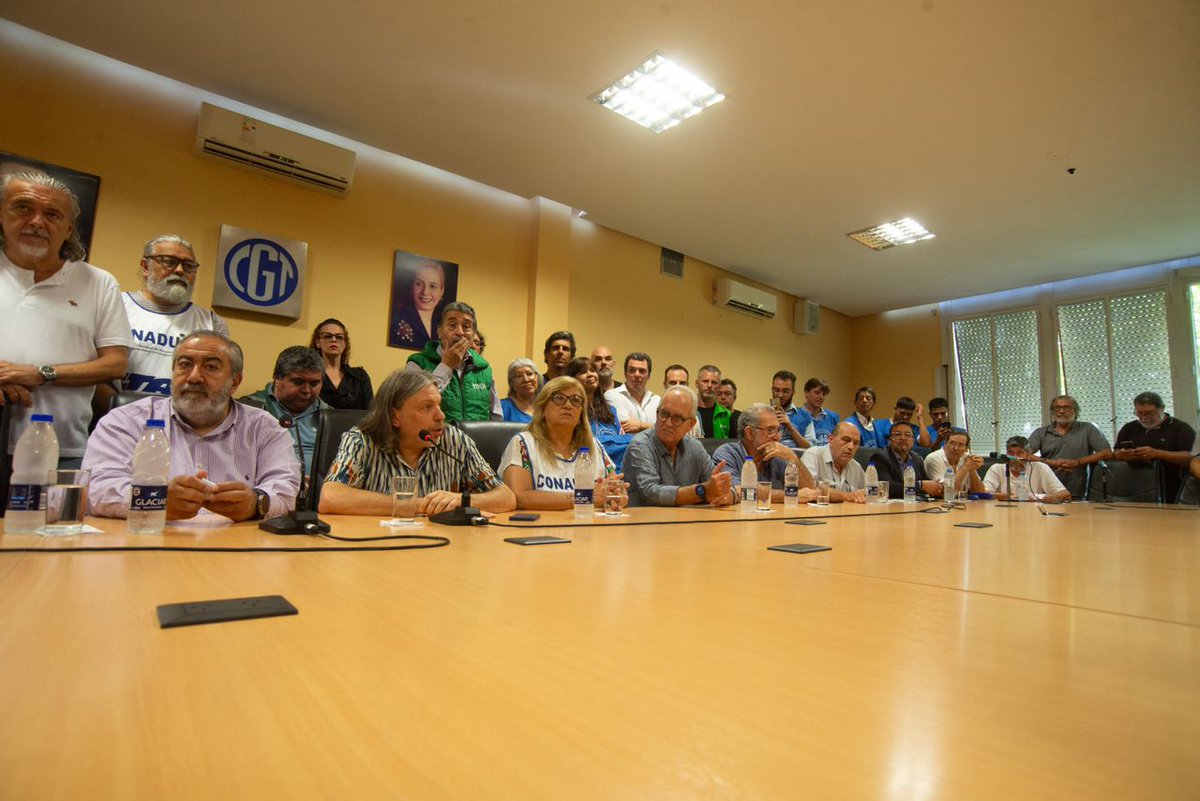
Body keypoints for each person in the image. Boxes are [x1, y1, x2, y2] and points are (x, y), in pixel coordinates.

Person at [83, 330, 301, 521]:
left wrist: (256, 503)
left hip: (234, 549)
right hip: (149, 546)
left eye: (211, 367)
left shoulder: (265, 428)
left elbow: (285, 489)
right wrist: (156, 500)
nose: (195, 377)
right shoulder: (125, 420)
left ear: (234, 382)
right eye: (185, 365)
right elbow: (97, 488)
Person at [0, 171, 132, 467]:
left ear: (68, 228)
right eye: (23, 207)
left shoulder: (97, 282)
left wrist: (40, 373)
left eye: (52, 214)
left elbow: (115, 363)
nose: (36, 221)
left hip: (61, 451)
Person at [319, 370, 515, 515]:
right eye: (427, 407)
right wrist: (420, 505)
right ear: (394, 416)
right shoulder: (362, 440)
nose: (441, 416)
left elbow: (506, 498)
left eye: (439, 405)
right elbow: (330, 498)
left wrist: (459, 501)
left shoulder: (454, 440)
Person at [119, 234, 229, 397]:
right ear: (145, 267)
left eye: (188, 265)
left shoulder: (212, 323)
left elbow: (217, 382)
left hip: (182, 419)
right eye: (169, 262)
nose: (179, 270)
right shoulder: (117, 305)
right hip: (116, 416)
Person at [500, 376, 620, 510]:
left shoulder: (593, 445)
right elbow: (518, 497)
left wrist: (617, 496)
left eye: (575, 400)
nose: (568, 405)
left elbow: (613, 489)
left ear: (581, 414)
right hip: (540, 528)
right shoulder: (523, 443)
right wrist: (583, 498)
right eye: (559, 398)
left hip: (588, 526)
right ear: (543, 409)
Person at [623, 386, 734, 507]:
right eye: (664, 414)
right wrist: (703, 491)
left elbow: (722, 486)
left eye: (677, 418)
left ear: (691, 424)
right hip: (645, 523)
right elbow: (651, 493)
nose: (668, 423)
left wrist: (729, 495)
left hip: (686, 522)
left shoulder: (695, 447)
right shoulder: (640, 445)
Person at [241, 346, 329, 485]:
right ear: (277, 378)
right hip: (264, 491)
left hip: (318, 496)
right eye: (298, 382)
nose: (306, 390)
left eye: (314, 383)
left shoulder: (331, 417)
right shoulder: (249, 409)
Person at [404, 301, 500, 421]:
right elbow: (413, 405)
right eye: (452, 325)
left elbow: (496, 417)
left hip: (477, 439)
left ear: (473, 334)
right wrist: (446, 366)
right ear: (439, 331)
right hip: (436, 438)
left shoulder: (484, 369)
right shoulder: (417, 363)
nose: (459, 332)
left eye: (466, 327)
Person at [713, 403, 816, 503]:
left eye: (779, 430)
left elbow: (810, 491)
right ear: (750, 433)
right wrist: (791, 495)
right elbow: (739, 491)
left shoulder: (778, 457)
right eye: (770, 430)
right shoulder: (726, 454)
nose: (777, 437)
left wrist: (793, 458)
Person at [1112, 391, 1196, 503]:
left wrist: (1157, 453)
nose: (1144, 417)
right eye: (1139, 413)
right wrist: (1121, 455)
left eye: (1149, 413)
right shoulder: (1128, 428)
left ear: (1162, 408)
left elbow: (1191, 458)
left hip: (1171, 489)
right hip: (1133, 488)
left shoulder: (1180, 428)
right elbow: (1116, 452)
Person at [1026, 395, 1111, 499]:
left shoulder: (1088, 429)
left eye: (1066, 408)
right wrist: (1049, 462)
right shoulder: (1041, 433)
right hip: (1049, 493)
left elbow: (1106, 452)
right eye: (1057, 408)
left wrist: (1079, 462)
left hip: (1078, 491)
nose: (1061, 411)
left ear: (1075, 411)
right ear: (1053, 411)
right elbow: (1024, 455)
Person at [566, 356, 631, 471]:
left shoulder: (611, 410)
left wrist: (600, 442)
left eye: (592, 370)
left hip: (620, 472)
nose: (590, 374)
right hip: (588, 472)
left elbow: (627, 443)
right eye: (583, 372)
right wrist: (613, 442)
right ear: (572, 380)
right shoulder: (572, 412)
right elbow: (583, 447)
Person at [310, 317, 374, 410]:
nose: (333, 339)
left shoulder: (359, 377)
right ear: (318, 342)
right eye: (328, 336)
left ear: (344, 344)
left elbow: (370, 413)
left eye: (339, 337)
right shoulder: (310, 375)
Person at [983, 435, 1071, 502]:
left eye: (1020, 453)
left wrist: (1040, 497)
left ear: (1028, 455)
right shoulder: (997, 469)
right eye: (1011, 453)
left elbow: (1065, 495)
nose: (1015, 457)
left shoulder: (1040, 468)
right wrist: (1006, 496)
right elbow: (983, 493)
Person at [868, 421, 940, 499]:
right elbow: (887, 487)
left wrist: (939, 488)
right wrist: (920, 485)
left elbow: (927, 483)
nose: (903, 438)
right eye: (898, 434)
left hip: (915, 505)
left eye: (907, 435)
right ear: (890, 440)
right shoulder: (880, 457)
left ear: (913, 440)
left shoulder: (917, 459)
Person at [800, 421, 868, 503]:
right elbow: (810, 490)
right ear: (831, 439)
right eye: (846, 440)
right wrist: (848, 496)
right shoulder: (812, 456)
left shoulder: (856, 467)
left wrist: (864, 495)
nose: (851, 447)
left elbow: (869, 493)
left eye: (856, 443)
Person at [390, 260, 446, 350]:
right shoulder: (397, 319)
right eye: (419, 284)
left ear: (442, 290)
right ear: (412, 287)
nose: (425, 292)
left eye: (432, 286)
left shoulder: (444, 324)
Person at [605, 352, 659, 434]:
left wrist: (641, 426)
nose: (637, 375)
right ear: (625, 374)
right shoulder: (612, 395)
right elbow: (624, 427)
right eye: (632, 370)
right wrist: (653, 427)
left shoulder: (657, 400)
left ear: (649, 376)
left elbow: (666, 431)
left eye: (642, 371)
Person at [923, 430, 985, 496]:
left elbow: (979, 492)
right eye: (952, 443)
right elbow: (945, 492)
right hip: (936, 503)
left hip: (962, 503)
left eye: (961, 445)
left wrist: (972, 469)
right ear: (946, 444)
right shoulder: (934, 458)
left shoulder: (966, 458)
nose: (956, 448)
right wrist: (965, 468)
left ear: (965, 448)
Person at [792, 377, 840, 446]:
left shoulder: (833, 417)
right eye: (817, 392)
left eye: (824, 394)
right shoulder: (795, 416)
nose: (821, 397)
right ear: (806, 393)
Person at [769, 370, 810, 448]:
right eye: (776, 390)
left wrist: (789, 426)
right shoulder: (763, 414)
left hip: (796, 459)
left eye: (785, 391)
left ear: (793, 392)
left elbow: (809, 448)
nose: (780, 395)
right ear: (772, 390)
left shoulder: (805, 415)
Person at [695, 364, 733, 438]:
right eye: (705, 381)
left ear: (719, 386)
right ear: (697, 383)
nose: (709, 385)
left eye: (714, 382)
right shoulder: (688, 412)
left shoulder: (726, 415)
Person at [501, 358, 540, 423]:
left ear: (537, 377)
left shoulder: (545, 406)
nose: (526, 379)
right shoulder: (503, 407)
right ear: (511, 383)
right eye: (519, 376)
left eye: (529, 374)